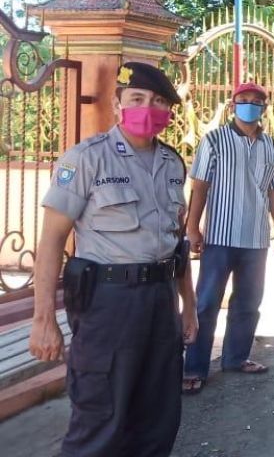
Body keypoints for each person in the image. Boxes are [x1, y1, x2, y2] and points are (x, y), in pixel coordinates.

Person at [28, 61, 198, 457]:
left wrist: (187, 305)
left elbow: (176, 244)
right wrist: (43, 320)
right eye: (137, 98)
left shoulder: (172, 164)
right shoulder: (86, 159)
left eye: (158, 101)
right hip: (109, 304)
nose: (147, 107)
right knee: (101, 417)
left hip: (160, 301)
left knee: (158, 416)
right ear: (117, 102)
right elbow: (52, 241)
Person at [182, 81, 274, 394]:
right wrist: (192, 227)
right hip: (220, 236)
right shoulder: (214, 141)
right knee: (205, 304)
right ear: (232, 105)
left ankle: (236, 357)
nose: (251, 105)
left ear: (264, 109)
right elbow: (199, 185)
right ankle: (194, 367)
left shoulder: (271, 145)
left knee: (248, 302)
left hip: (256, 238)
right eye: (244, 100)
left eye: (257, 101)